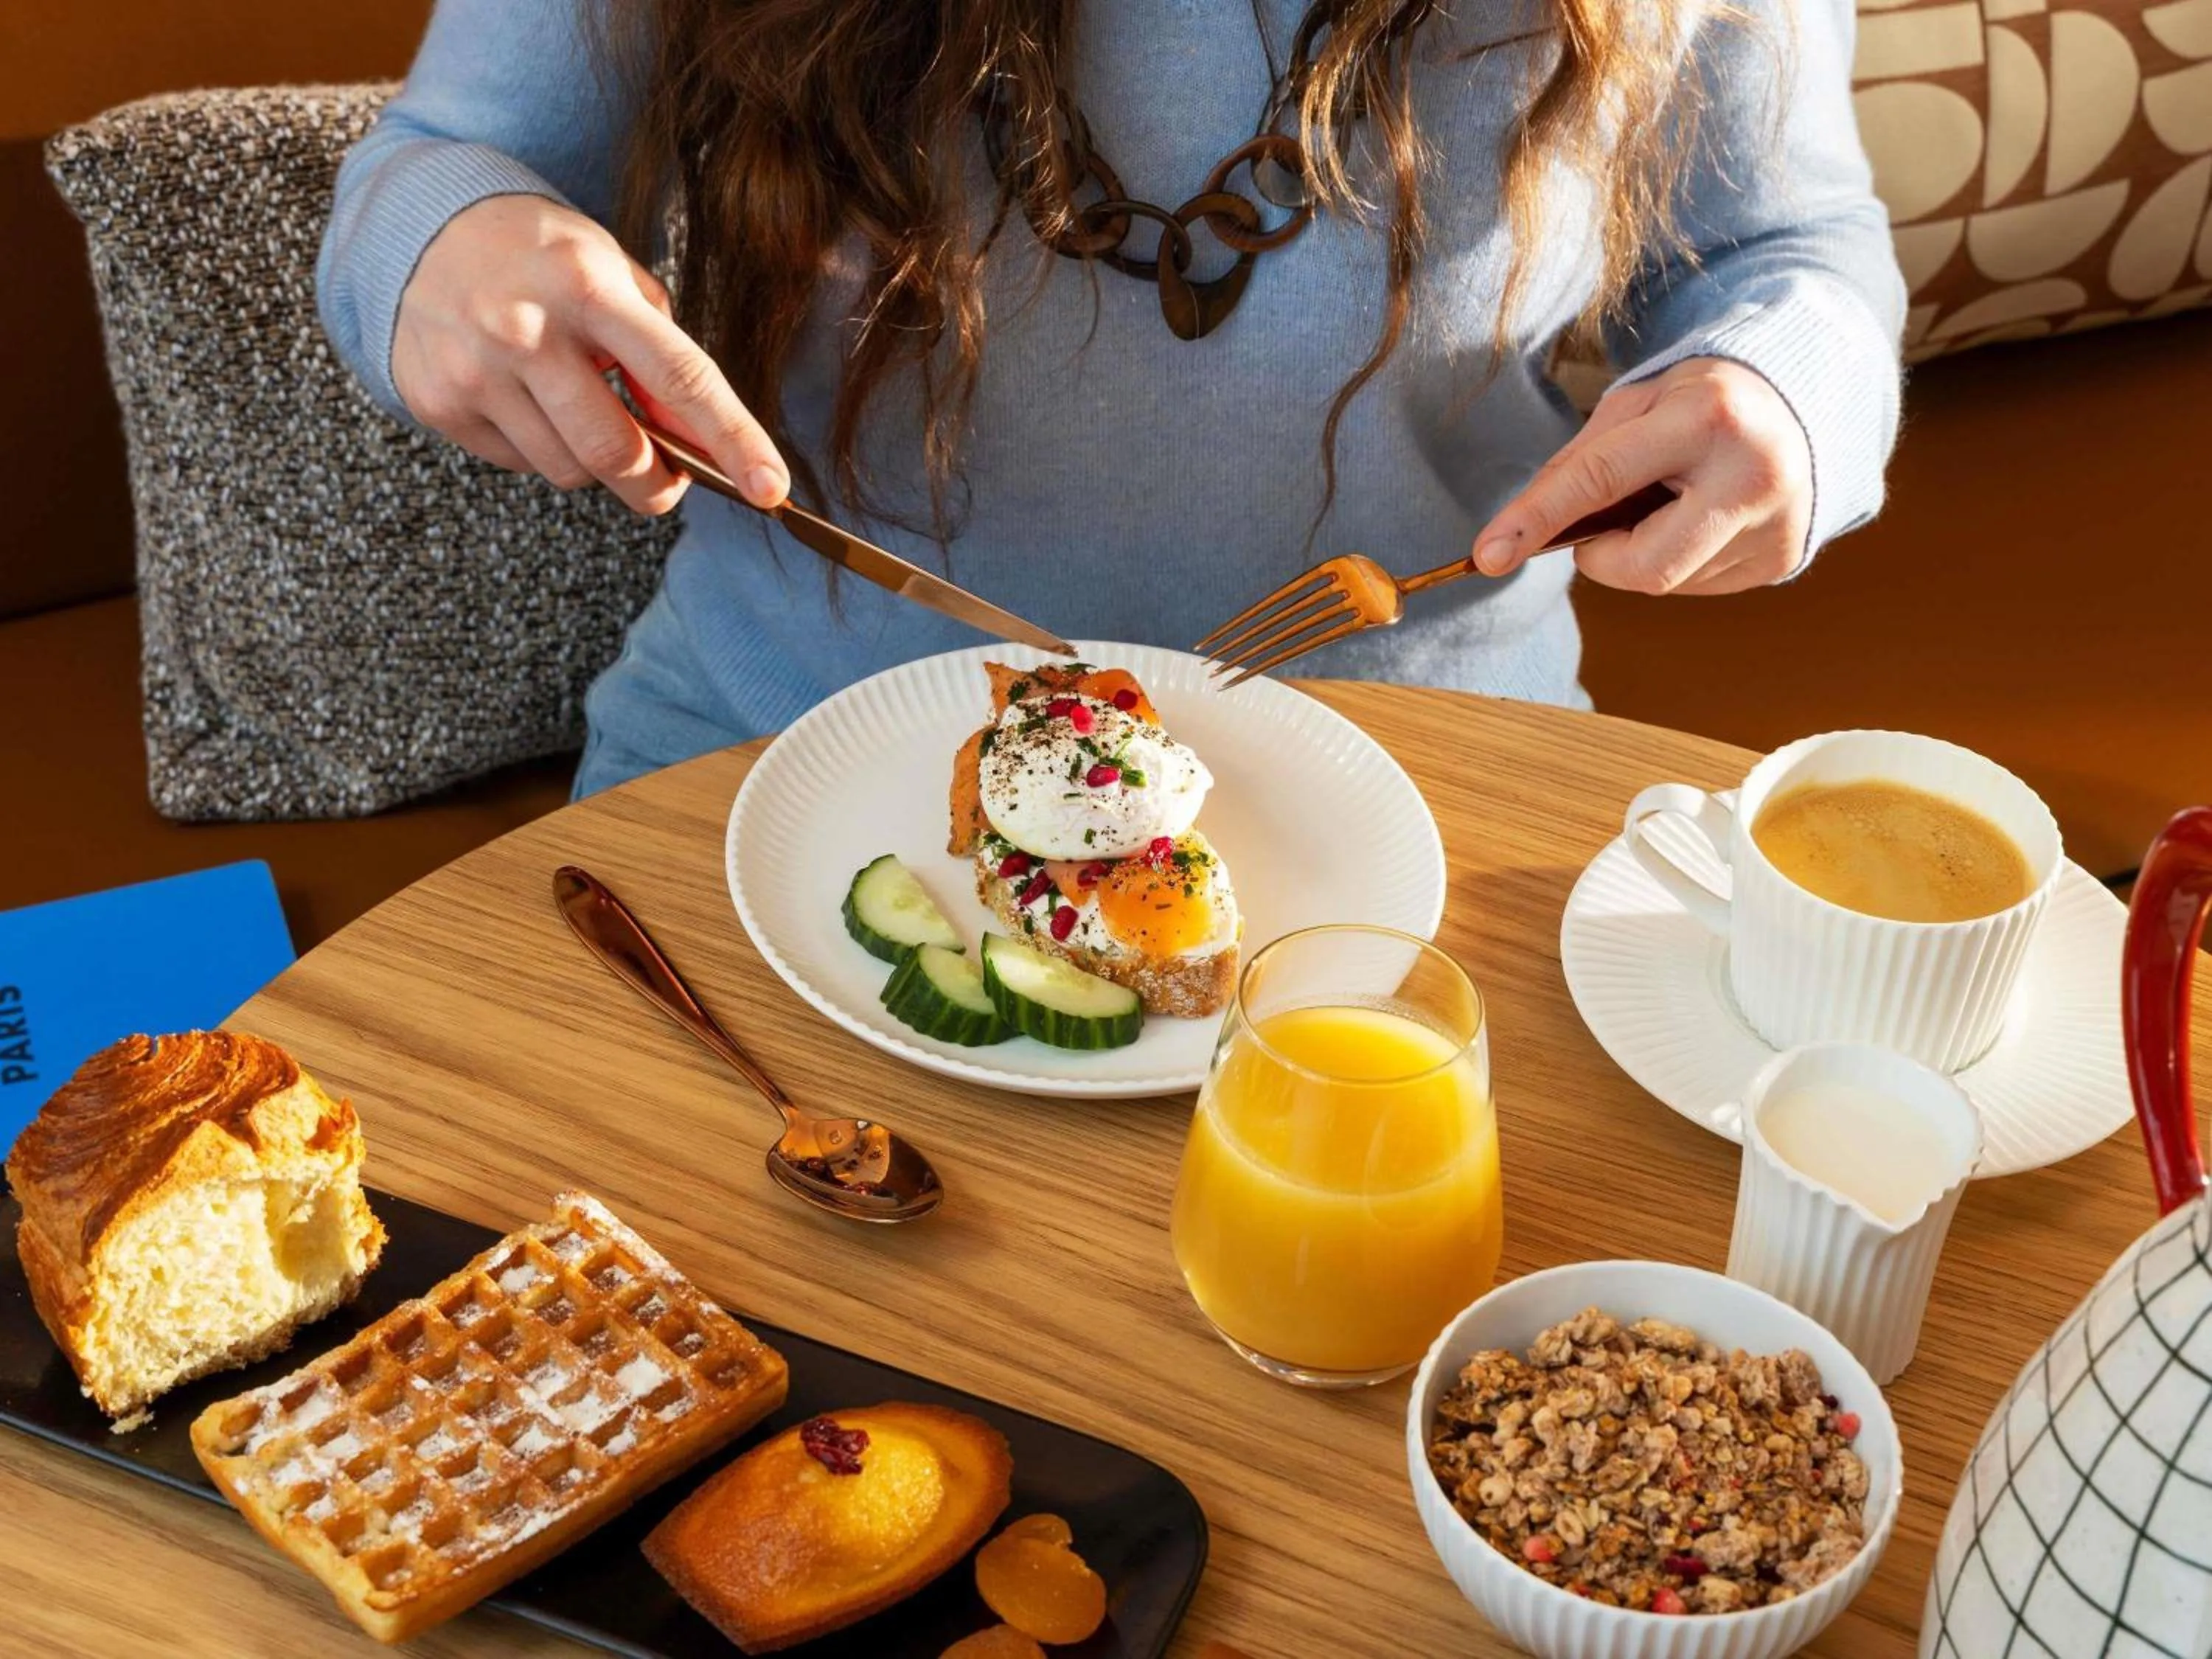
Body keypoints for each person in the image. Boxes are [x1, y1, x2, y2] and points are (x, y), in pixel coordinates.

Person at [320, 1, 1904, 798]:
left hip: (1427, 780)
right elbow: (432, 166)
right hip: (778, 758)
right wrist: (442, 245)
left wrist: (1786, 389)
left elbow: (1792, 249)